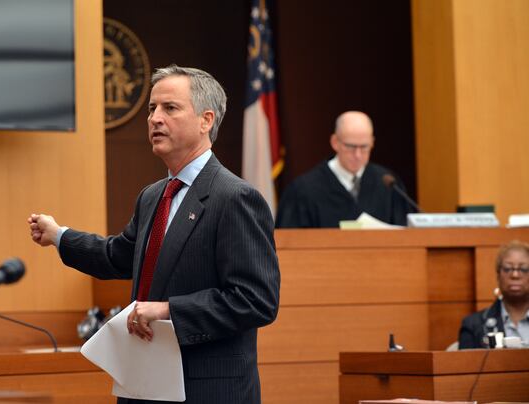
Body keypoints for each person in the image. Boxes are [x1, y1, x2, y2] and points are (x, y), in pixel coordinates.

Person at [28, 65, 280, 404]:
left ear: (206, 120)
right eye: (151, 109)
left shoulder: (235, 198)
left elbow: (255, 301)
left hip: (206, 390)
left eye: (170, 108)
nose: (154, 119)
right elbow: (118, 257)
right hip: (144, 385)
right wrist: (60, 236)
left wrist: (167, 310)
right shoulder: (153, 196)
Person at [275, 110, 415, 228]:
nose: (358, 155)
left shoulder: (388, 184)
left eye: (364, 147)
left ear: (372, 142)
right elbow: (290, 243)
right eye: (350, 146)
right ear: (335, 142)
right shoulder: (303, 190)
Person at [458, 240, 529, 349]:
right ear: (498, 275)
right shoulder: (474, 325)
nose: (515, 275)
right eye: (507, 269)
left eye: (524, 269)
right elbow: (467, 365)